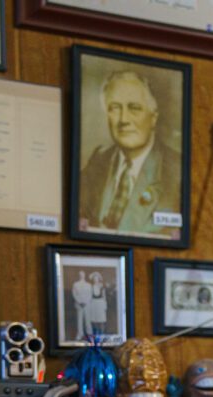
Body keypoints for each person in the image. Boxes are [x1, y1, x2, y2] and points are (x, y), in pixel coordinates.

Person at [78, 70, 180, 236]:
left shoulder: (176, 170)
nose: (124, 119)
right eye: (115, 108)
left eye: (134, 108)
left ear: (153, 117)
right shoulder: (98, 161)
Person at [71, 270, 93, 339]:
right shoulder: (75, 284)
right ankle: (80, 334)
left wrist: (85, 302)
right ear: (79, 275)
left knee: (87, 319)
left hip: (87, 304)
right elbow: (74, 294)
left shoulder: (88, 285)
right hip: (79, 304)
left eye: (82, 274)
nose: (81, 275)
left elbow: (90, 294)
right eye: (80, 274)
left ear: (84, 275)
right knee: (79, 320)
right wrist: (79, 301)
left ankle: (89, 334)